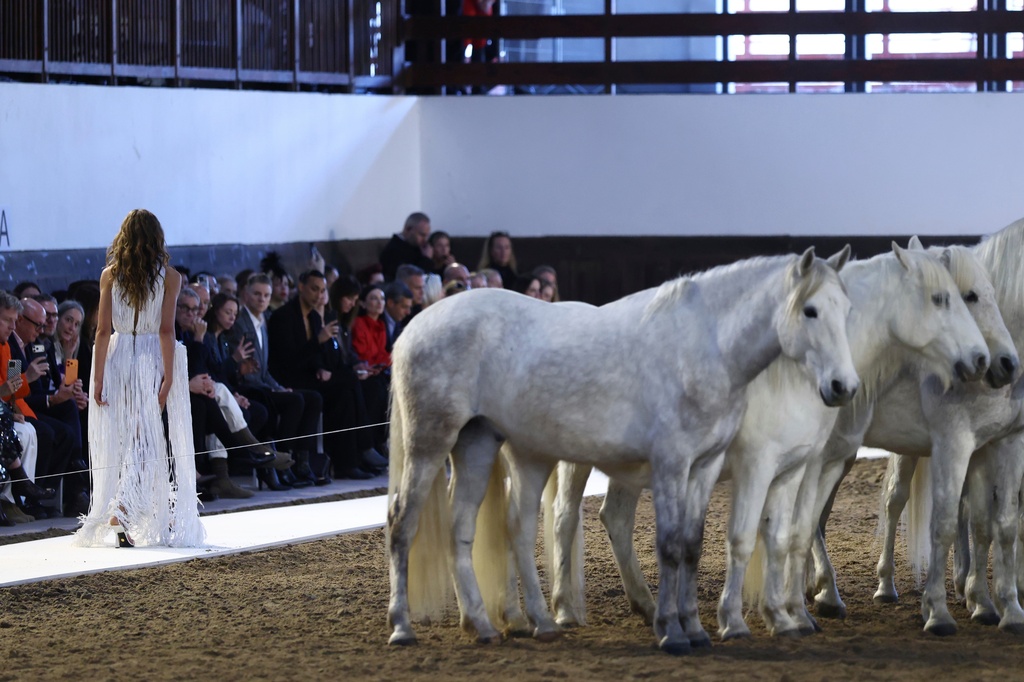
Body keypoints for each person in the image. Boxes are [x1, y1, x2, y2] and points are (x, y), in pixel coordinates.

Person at [74, 209, 205, 548]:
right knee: (145, 439)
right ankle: (123, 509)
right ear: (157, 239)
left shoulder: (109, 276)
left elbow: (102, 331)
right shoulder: (170, 278)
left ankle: (124, 509)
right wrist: (168, 376)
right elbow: (165, 330)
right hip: (150, 357)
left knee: (128, 439)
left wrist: (97, 377)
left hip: (118, 356)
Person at [378, 212, 435, 281]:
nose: (425, 240)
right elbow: (410, 279)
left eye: (427, 235)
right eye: (422, 235)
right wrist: (427, 259)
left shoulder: (419, 246)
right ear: (408, 229)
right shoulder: (394, 250)